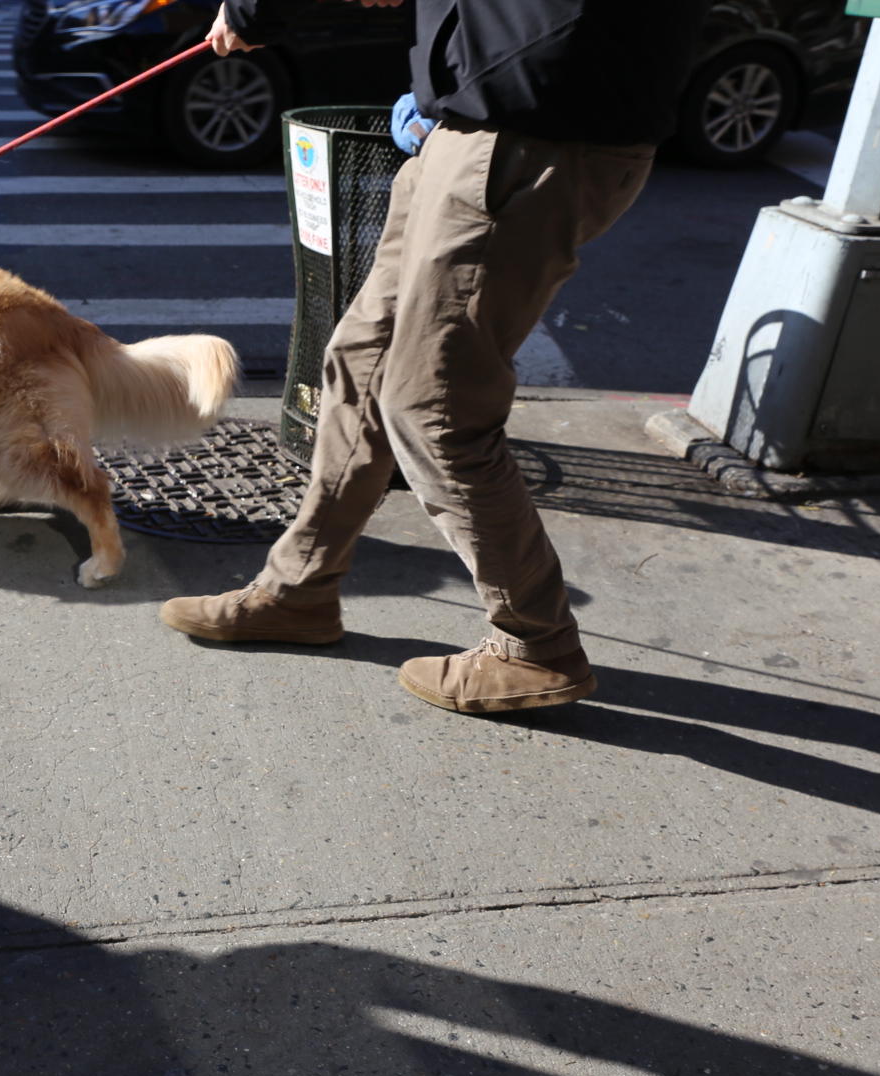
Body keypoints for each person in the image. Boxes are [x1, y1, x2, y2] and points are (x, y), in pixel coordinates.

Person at [162, 0, 709, 713]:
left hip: (530, 125)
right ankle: (298, 590)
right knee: (361, 361)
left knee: (434, 406)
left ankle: (535, 643)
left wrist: (255, 8)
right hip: (476, 118)